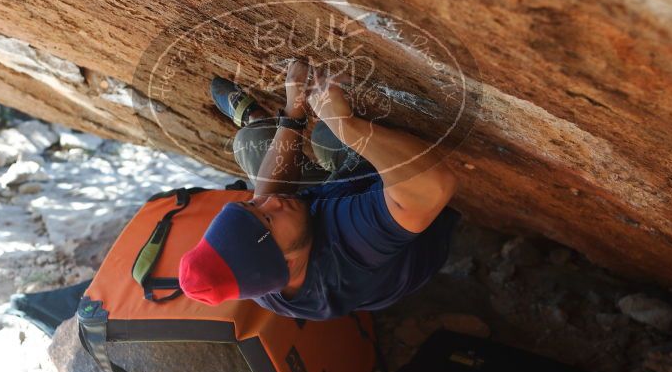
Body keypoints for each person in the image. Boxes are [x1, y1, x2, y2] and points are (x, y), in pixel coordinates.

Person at [178, 59, 460, 320]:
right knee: (327, 136)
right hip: (401, 211)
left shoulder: (261, 272)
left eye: (250, 206)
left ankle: (257, 120)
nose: (270, 202)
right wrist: (346, 126)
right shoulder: (350, 246)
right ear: (287, 266)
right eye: (267, 219)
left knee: (252, 142)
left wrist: (294, 111)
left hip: (315, 215)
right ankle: (336, 142)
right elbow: (433, 186)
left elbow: (265, 205)